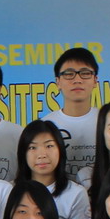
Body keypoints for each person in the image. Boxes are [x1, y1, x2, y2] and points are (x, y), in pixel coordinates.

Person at [15, 120, 90, 219]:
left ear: (60, 149)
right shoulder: (10, 190)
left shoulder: (76, 193)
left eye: (49, 146)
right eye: (32, 147)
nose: (42, 155)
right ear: (23, 154)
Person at [44, 47, 101, 181]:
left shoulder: (106, 121)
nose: (77, 80)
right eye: (69, 74)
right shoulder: (46, 125)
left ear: (95, 80)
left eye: (85, 73)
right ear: (58, 82)